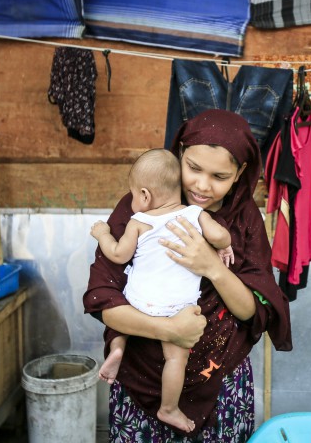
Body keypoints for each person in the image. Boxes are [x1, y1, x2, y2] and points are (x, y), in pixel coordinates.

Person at [83, 109, 292, 442]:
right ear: (179, 153)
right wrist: (170, 330)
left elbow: (253, 310)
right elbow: (104, 297)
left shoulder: (244, 220)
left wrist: (210, 266)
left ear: (239, 174)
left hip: (221, 384)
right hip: (141, 381)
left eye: (219, 176)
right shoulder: (141, 206)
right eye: (193, 168)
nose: (202, 185)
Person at [89, 148, 234, 433]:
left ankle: (117, 348)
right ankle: (169, 409)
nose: (131, 202)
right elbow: (219, 235)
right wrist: (224, 244)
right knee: (175, 359)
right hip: (176, 306)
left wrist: (103, 234)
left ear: (145, 195)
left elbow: (118, 255)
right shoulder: (195, 214)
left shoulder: (138, 222)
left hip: (139, 299)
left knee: (123, 318)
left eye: (132, 195)